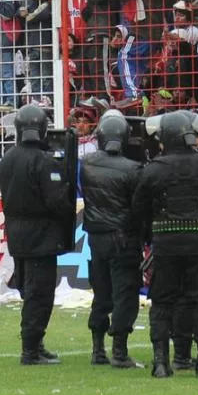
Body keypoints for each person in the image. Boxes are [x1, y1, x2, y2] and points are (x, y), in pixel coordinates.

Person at [132, 110, 198, 378]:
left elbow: (138, 207)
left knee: (162, 300)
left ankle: (161, 362)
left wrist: (151, 232)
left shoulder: (153, 169)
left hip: (165, 240)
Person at [0, 104, 73, 365]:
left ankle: (34, 344)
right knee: (39, 293)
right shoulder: (44, 161)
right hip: (41, 235)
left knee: (28, 290)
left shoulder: (7, 159)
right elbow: (56, 202)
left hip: (16, 235)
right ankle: (31, 348)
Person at [81, 109, 145, 368]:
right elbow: (139, 206)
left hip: (97, 238)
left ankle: (98, 349)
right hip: (123, 238)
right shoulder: (133, 169)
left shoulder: (87, 165)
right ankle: (119, 349)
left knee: (102, 293)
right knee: (125, 294)